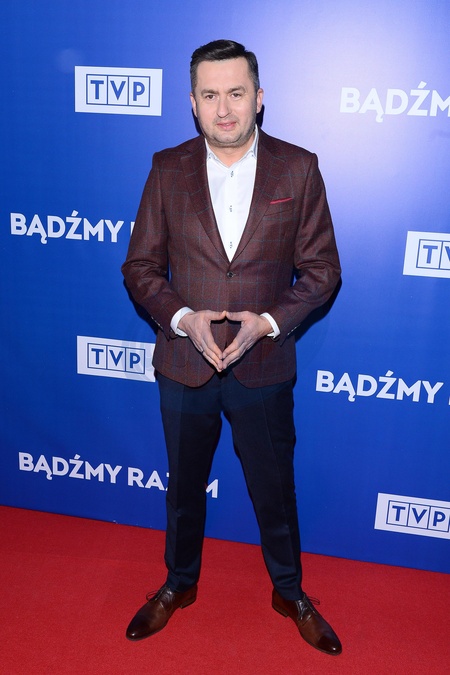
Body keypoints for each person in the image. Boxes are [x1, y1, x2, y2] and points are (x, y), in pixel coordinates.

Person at [122, 39, 342, 656]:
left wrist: (268, 322)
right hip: (183, 364)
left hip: (264, 366)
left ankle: (290, 592)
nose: (224, 109)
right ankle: (178, 583)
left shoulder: (298, 168)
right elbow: (140, 267)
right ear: (193, 103)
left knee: (275, 491)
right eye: (211, 95)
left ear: (259, 98)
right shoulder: (167, 168)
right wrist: (182, 318)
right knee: (183, 490)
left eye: (237, 93)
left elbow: (322, 270)